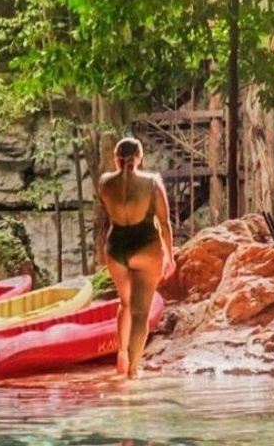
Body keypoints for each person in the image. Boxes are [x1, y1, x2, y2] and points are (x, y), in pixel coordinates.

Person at [96, 136, 175, 379]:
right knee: (140, 312)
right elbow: (164, 223)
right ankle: (132, 372)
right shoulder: (152, 184)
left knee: (125, 303)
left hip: (116, 248)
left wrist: (102, 252)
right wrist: (169, 256)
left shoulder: (104, 183)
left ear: (115, 159)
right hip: (145, 247)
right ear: (140, 158)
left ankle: (121, 353)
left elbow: (104, 220)